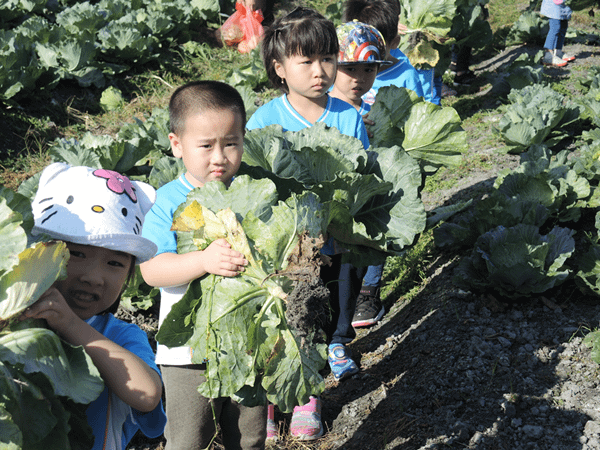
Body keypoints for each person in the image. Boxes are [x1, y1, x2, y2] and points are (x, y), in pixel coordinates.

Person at [246, 6, 367, 441]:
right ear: (279, 69)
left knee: (316, 319)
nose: (320, 71)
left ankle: (306, 398)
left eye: (328, 59)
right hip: (283, 248)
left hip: (331, 243)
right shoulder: (264, 121)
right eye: (306, 62)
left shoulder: (348, 115)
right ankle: (268, 401)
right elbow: (254, 188)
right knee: (279, 322)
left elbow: (361, 174)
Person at [140, 80, 267, 450]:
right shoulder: (167, 202)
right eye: (206, 146)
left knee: (249, 436)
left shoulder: (252, 192)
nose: (220, 157)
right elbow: (152, 271)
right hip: (187, 354)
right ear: (176, 145)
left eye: (231, 143)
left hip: (249, 343)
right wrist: (204, 261)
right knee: (187, 439)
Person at [24, 163, 166, 450]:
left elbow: (148, 394)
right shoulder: (18, 323)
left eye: (114, 263)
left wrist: (70, 326)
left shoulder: (121, 336)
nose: (93, 277)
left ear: (129, 276)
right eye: (76, 253)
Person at [343, 0, 425, 106]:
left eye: (375, 46)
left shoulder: (406, 76)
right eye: (359, 45)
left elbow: (416, 112)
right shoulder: (343, 72)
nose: (367, 53)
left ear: (394, 42)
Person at [540, 0, 574, 67]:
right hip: (553, 4)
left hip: (563, 4)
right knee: (555, 28)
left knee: (563, 26)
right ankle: (548, 56)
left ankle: (558, 51)